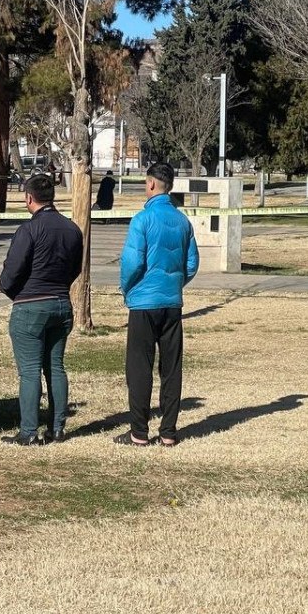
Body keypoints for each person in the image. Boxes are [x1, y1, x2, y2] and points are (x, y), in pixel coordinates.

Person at [117, 162, 199, 447]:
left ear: (151, 184)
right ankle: (168, 431)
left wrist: (127, 288)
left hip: (143, 302)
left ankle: (139, 431)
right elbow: (191, 264)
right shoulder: (182, 221)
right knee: (171, 367)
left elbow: (132, 262)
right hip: (172, 302)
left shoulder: (142, 220)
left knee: (139, 366)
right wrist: (175, 285)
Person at [0, 174, 83, 446]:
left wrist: (14, 292)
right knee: (55, 367)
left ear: (28, 198)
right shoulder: (72, 229)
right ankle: (57, 428)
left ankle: (29, 431)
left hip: (31, 303)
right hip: (61, 302)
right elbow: (75, 269)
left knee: (30, 370)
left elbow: (11, 271)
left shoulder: (29, 230)